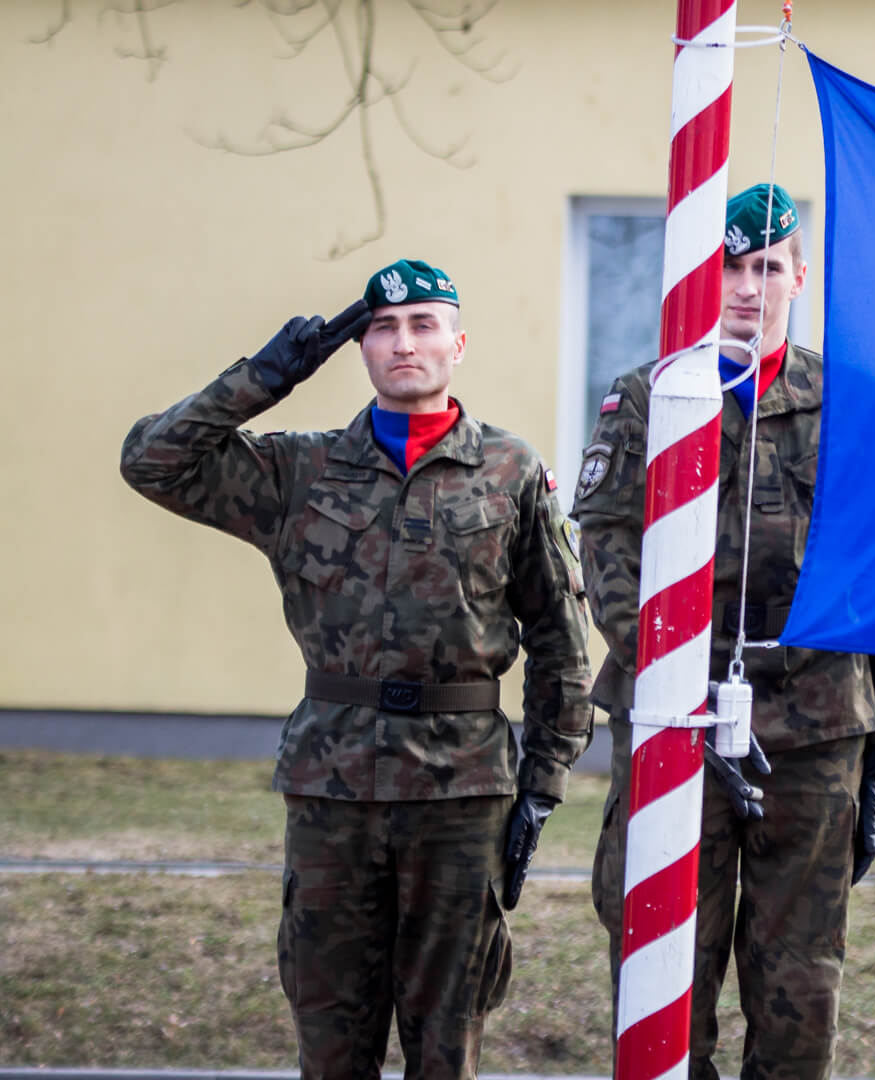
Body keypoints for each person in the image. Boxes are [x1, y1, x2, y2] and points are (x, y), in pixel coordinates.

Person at [120, 260, 593, 1078]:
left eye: (422, 324)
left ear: (458, 342)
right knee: (331, 1037)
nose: (404, 342)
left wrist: (545, 782)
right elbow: (153, 463)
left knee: (448, 1040)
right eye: (383, 327)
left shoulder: (510, 473)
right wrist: (264, 378)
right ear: (360, 348)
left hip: (462, 791)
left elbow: (560, 635)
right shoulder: (299, 472)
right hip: (333, 788)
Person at [575, 183, 875, 1080]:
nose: (745, 287)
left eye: (766, 267)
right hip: (676, 722)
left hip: (813, 734)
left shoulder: (856, 407)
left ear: (799, 277)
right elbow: (608, 545)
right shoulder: (652, 399)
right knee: (662, 974)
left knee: (799, 986)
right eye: (728, 266)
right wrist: (659, 662)